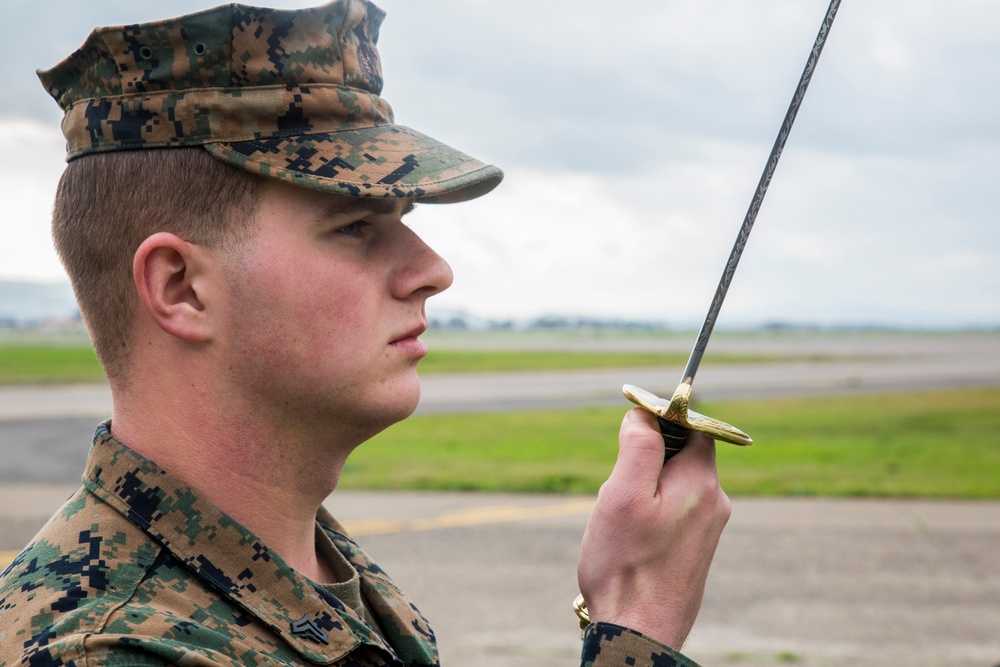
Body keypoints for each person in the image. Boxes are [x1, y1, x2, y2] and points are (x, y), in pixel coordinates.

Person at [0, 1, 730, 665]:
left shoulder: (318, 578)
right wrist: (636, 627)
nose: (432, 269)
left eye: (402, 224)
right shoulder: (109, 646)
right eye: (354, 227)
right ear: (181, 287)